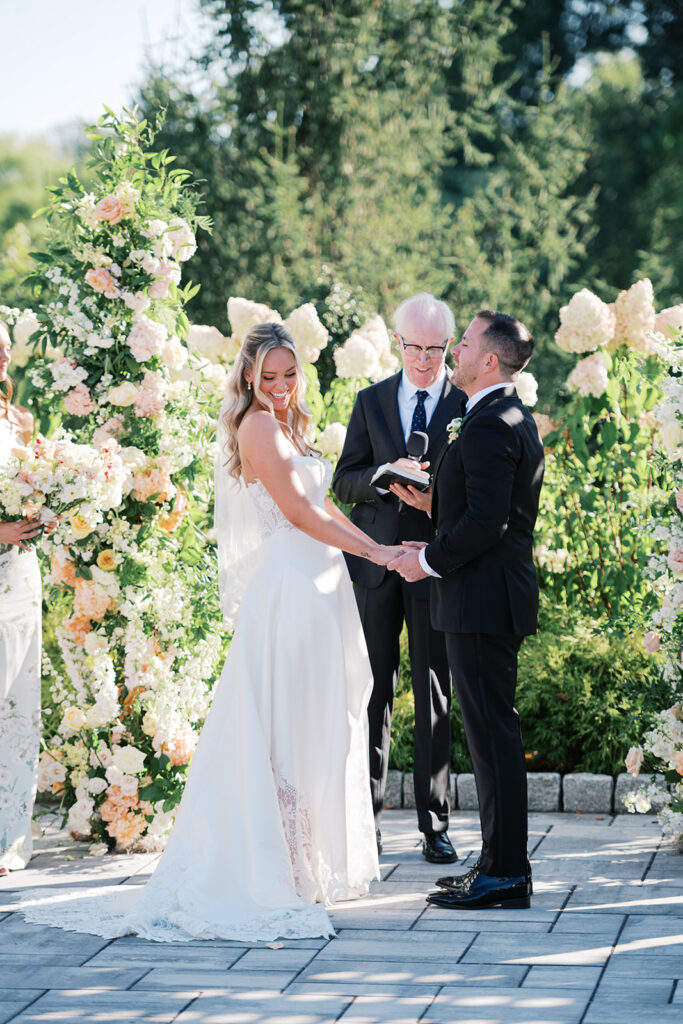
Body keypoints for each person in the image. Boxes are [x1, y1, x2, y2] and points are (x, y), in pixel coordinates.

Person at [19, 321, 399, 941]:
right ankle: (287, 871)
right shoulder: (255, 425)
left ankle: (304, 866)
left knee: (311, 725)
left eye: (288, 375)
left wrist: (374, 547)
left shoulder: (291, 425)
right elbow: (300, 514)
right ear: (248, 374)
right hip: (290, 591)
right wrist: (379, 556)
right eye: (267, 376)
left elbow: (325, 505)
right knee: (285, 730)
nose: (279, 387)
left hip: (321, 585)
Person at [389, 310, 544, 910]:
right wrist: (431, 500)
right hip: (486, 597)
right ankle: (499, 862)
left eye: (467, 344)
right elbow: (482, 508)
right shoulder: (500, 415)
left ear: (490, 361)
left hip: (481, 601)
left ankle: (505, 874)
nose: (454, 353)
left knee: (492, 737)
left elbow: (487, 523)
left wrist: (425, 561)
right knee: (489, 736)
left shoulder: (487, 423)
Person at [333, 293, 465, 863]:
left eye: (435, 349)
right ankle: (367, 818)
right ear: (397, 344)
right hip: (375, 566)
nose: (424, 359)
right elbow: (344, 481)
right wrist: (383, 481)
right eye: (414, 347)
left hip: (435, 566)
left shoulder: (465, 403)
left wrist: (438, 497)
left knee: (435, 694)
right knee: (371, 692)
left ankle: (435, 827)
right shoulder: (370, 401)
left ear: (449, 348)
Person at [0, 320, 43, 876]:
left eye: (6, 346)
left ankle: (11, 835)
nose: (4, 354)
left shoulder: (21, 421)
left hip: (22, 576)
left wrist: (45, 515)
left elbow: (36, 484)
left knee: (19, 706)